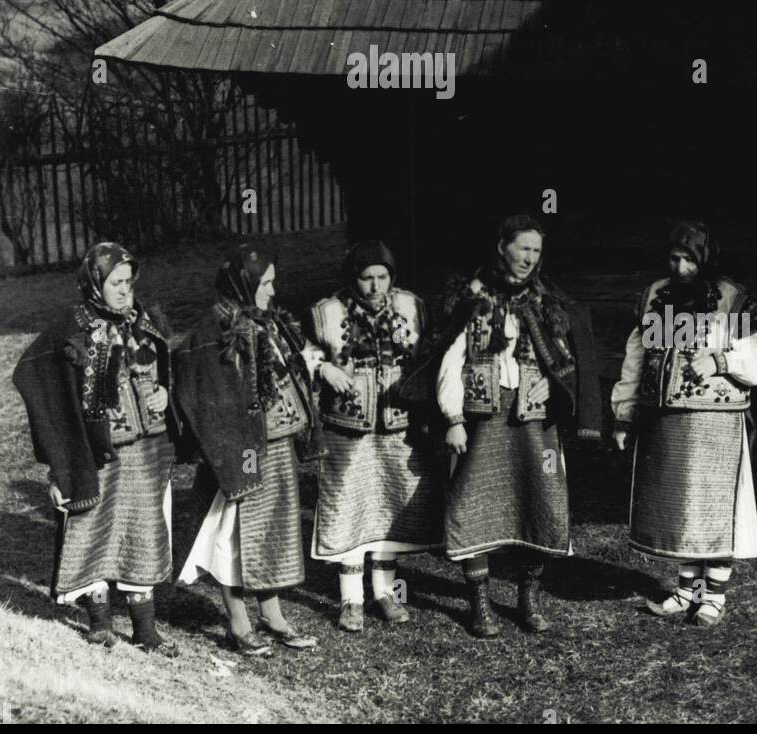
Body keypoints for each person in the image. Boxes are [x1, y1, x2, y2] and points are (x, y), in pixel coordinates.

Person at [436, 214, 602, 638]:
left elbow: (566, 357)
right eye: (522, 247)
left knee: (540, 499)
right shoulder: (472, 297)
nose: (528, 258)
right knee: (474, 504)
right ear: (501, 247)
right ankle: (480, 603)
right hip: (482, 417)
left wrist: (553, 383)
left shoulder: (547, 301)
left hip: (535, 421)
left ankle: (529, 598)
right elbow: (450, 361)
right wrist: (453, 418)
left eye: (536, 251)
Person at [611, 219, 757, 627]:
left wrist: (722, 361)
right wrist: (624, 413)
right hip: (666, 418)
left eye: (690, 258)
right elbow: (636, 357)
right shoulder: (656, 296)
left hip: (714, 422)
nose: (682, 267)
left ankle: (714, 597)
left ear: (705, 258)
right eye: (675, 257)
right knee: (680, 508)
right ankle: (686, 590)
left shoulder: (730, 299)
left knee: (714, 507)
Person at [13, 242, 178, 654]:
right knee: (93, 529)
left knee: (143, 527)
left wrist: (162, 393)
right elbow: (33, 375)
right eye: (116, 282)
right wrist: (59, 459)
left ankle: (145, 630)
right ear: (94, 282)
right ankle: (100, 622)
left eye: (129, 282)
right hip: (98, 452)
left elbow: (165, 370)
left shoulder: (143, 321)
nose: (125, 290)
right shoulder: (72, 325)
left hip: (145, 448)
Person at [174, 246, 323, 653]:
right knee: (238, 528)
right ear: (244, 282)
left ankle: (272, 616)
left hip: (274, 442)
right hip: (244, 448)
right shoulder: (217, 328)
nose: (272, 290)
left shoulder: (266, 322)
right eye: (266, 283)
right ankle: (238, 623)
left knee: (271, 528)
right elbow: (196, 377)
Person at [307, 240, 438, 633]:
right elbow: (300, 349)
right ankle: (351, 599)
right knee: (349, 506)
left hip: (398, 423)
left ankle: (387, 592)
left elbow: (431, 354)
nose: (375, 285)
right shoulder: (327, 312)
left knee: (389, 508)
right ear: (353, 278)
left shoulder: (411, 308)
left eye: (382, 277)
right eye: (366, 277)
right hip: (347, 425)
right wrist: (322, 367)